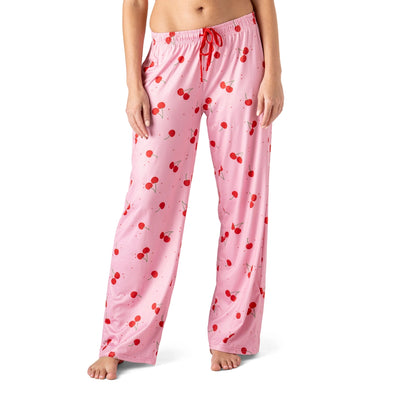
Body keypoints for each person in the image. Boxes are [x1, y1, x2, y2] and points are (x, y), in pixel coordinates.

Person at [87, 0, 284, 379]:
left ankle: (232, 331)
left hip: (240, 49)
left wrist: (273, 72)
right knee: (147, 200)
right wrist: (133, 85)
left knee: (245, 198)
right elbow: (135, 2)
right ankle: (122, 338)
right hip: (170, 54)